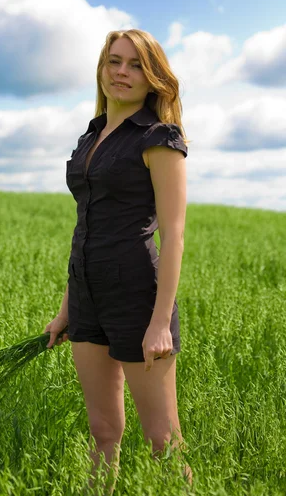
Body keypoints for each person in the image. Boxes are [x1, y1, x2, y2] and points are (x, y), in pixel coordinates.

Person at [44, 29, 193, 494]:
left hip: (137, 297)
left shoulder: (158, 138)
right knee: (103, 431)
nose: (122, 73)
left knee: (163, 439)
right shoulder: (91, 136)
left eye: (134, 65)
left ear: (153, 78)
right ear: (101, 70)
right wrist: (67, 308)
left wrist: (160, 322)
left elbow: (174, 235)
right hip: (87, 296)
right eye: (114, 62)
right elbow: (85, 227)